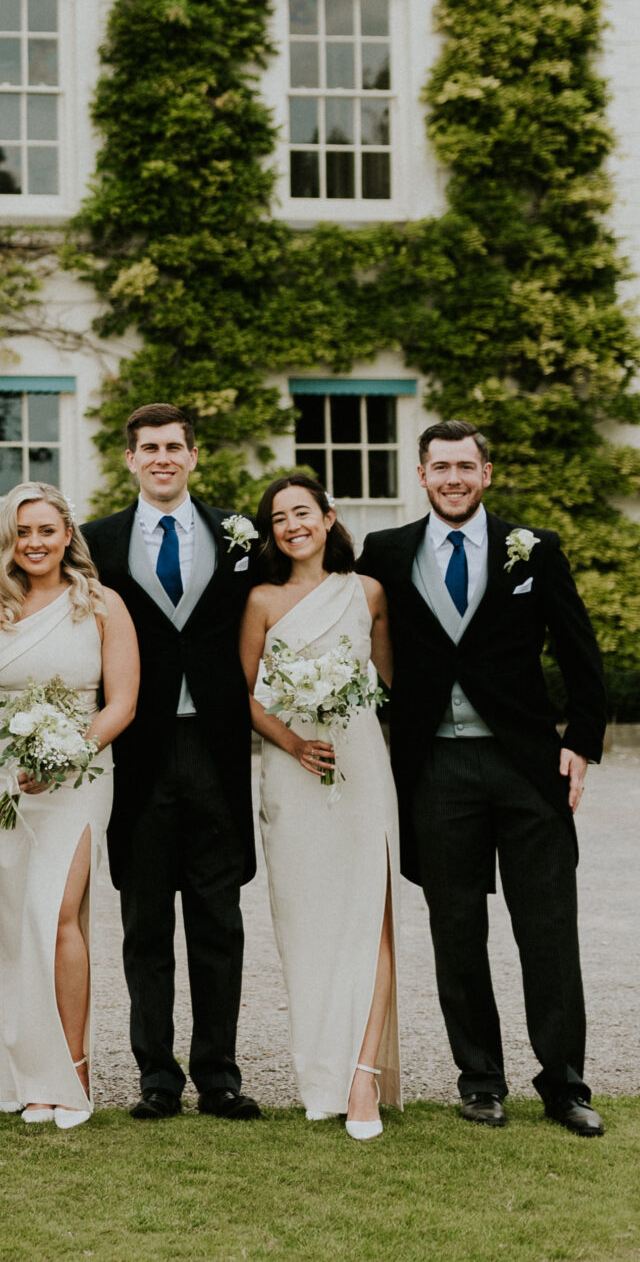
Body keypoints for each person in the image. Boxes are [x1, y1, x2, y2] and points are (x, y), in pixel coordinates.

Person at [356, 421, 609, 1138]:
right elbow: (353, 637)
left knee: (549, 926)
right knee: (456, 928)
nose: (454, 477)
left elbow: (579, 647)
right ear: (421, 473)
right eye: (441, 466)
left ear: (486, 473)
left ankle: (564, 1084)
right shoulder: (387, 552)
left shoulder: (535, 548)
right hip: (435, 765)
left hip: (525, 762)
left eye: (466, 465)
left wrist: (581, 741)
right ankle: (481, 1082)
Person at [83, 403, 263, 1121]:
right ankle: (156, 1073)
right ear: (130, 459)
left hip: (218, 748)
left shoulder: (240, 536)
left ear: (193, 455)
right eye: (149, 447)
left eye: (174, 446)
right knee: (145, 922)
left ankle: (218, 1072)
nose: (162, 457)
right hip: (138, 752)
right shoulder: (95, 541)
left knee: (220, 920)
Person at [0, 482, 139, 1130]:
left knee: (57, 915)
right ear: (8, 539)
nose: (34, 542)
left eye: (46, 529)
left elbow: (120, 702)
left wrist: (64, 755)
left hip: (78, 779)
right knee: (12, 932)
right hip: (2, 786)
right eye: (22, 531)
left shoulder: (101, 604)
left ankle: (74, 1072)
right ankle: (31, 1078)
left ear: (68, 533)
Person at [241, 471, 400, 1142]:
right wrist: (295, 740)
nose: (292, 525)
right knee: (306, 924)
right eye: (279, 517)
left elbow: (390, 682)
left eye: (302, 511)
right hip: (293, 770)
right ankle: (321, 1075)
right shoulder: (262, 600)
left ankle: (363, 1075)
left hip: (361, 764)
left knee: (374, 914)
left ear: (330, 516)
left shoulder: (367, 592)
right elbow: (245, 694)